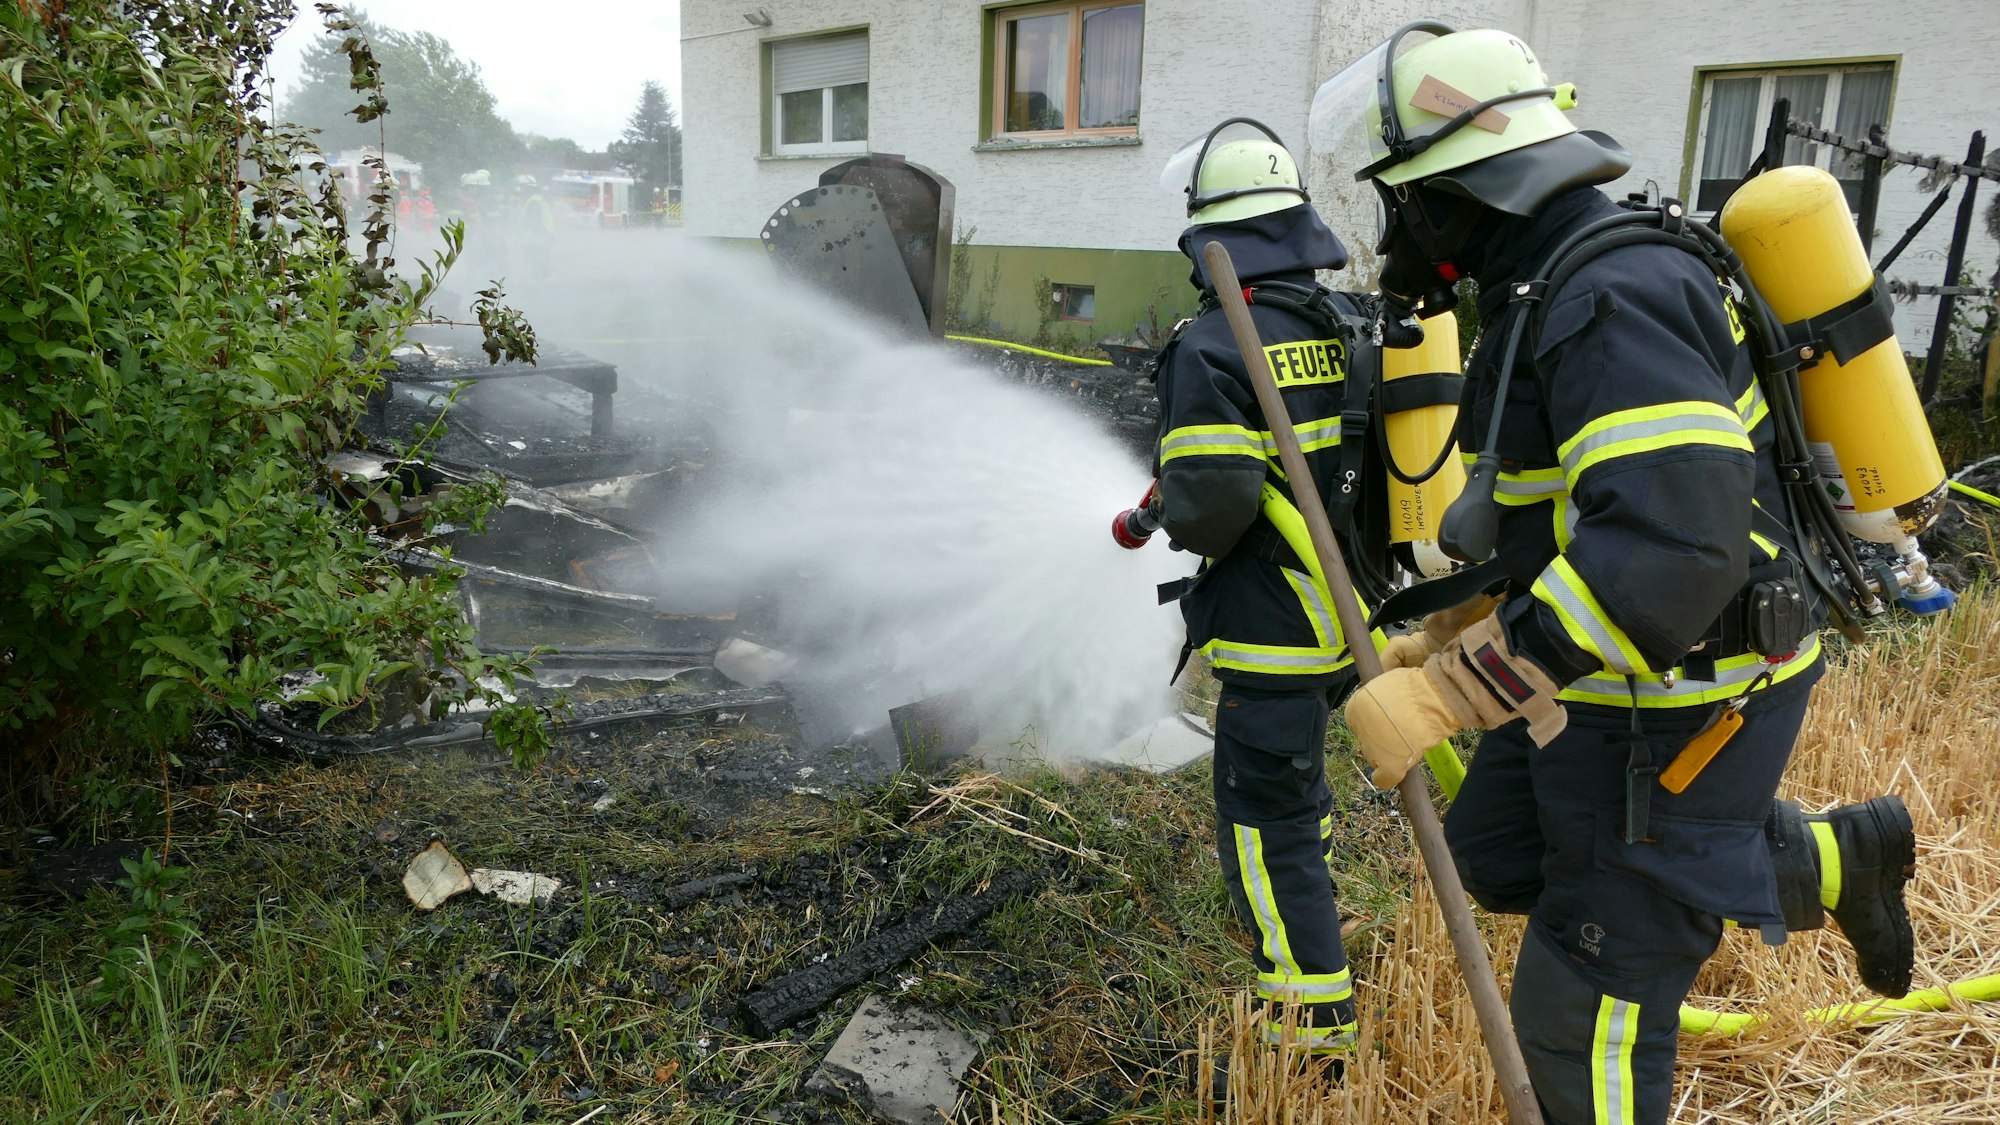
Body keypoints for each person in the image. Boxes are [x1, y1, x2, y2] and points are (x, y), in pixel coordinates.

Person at [1313, 25, 1917, 1124]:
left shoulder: (1609, 295)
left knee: (1576, 1012)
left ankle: (1667, 890)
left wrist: (1453, 697)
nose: (1399, 230)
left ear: (1465, 192)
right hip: (1605, 679)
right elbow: (1569, 515)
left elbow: (1666, 552)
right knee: (1497, 855)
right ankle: (1835, 859)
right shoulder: (1550, 282)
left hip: (1677, 697)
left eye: (1406, 199)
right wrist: (1455, 635)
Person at [1121, 119, 1380, 1062]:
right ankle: (1313, 990)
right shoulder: (1345, 322)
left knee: (1266, 827)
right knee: (1295, 803)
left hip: (1274, 627)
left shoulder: (1218, 342)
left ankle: (1309, 1023)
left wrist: (1176, 515)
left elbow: (1216, 507)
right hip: (1348, 618)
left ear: (1210, 237)